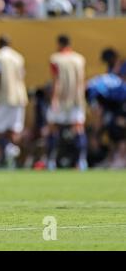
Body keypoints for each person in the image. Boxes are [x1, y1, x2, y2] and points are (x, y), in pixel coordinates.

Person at [46, 34, 87, 171]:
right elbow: (81, 80)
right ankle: (81, 161)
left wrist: (54, 99)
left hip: (61, 98)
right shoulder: (79, 59)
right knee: (78, 128)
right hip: (77, 99)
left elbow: (56, 81)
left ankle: (51, 161)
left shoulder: (55, 59)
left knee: (53, 128)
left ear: (59, 44)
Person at [0, 35, 28, 169]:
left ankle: (8, 148)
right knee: (14, 130)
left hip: (4, 97)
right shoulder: (18, 57)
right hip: (19, 97)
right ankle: (10, 156)